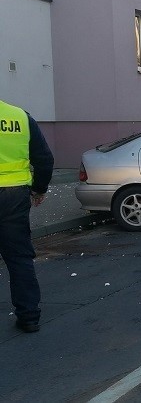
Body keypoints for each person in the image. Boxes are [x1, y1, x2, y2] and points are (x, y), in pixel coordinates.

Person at [0, 98, 54, 333]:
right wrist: (39, 188)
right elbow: (44, 159)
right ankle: (29, 316)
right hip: (14, 196)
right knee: (19, 257)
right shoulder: (19, 116)